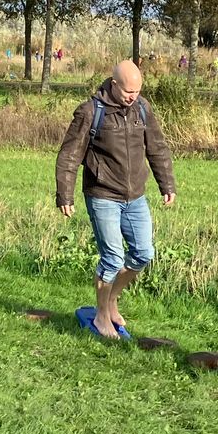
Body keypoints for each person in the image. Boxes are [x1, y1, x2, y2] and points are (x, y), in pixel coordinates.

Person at [54, 60, 176, 339]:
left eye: (137, 91)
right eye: (128, 91)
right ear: (113, 84)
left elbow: (157, 148)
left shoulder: (142, 109)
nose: (133, 97)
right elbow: (69, 155)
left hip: (136, 197)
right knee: (112, 259)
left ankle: (111, 300)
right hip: (103, 194)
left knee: (143, 253)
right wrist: (65, 194)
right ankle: (101, 316)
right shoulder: (90, 111)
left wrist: (166, 184)